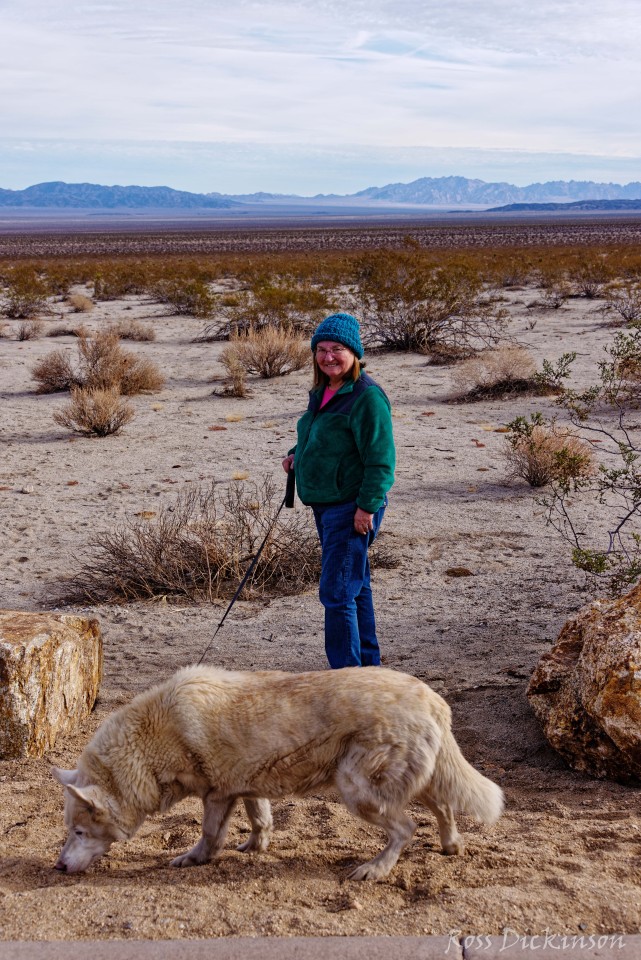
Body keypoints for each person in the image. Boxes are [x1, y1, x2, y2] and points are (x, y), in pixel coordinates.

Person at [282, 312, 395, 669]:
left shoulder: (366, 397)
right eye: (322, 349)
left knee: (337, 593)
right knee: (354, 588)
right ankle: (368, 672)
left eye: (338, 349)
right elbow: (322, 438)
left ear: (355, 353)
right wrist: (297, 455)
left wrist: (367, 507)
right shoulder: (323, 391)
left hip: (351, 506)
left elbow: (380, 461)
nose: (328, 356)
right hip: (326, 505)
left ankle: (347, 679)